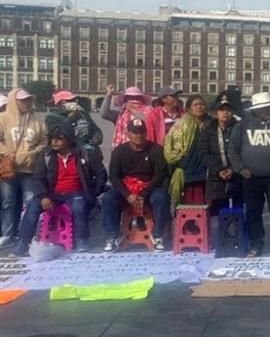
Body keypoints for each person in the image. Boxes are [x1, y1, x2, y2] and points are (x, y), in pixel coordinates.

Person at [13, 124, 107, 256]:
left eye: (59, 138)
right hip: (52, 194)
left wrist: (93, 192)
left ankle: (82, 240)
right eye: (52, 139)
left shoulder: (85, 154)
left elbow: (101, 174)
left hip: (76, 193)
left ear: (68, 139)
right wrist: (44, 196)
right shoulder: (46, 156)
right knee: (33, 206)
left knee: (79, 206)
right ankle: (24, 242)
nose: (54, 142)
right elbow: (37, 179)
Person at [228, 92, 270, 257]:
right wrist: (241, 169)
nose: (268, 110)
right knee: (253, 213)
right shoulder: (242, 125)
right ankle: (256, 245)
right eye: (264, 108)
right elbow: (233, 149)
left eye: (269, 106)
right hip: (251, 178)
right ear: (256, 110)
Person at [102, 118, 170, 251]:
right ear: (128, 134)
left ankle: (158, 236)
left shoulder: (156, 150)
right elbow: (114, 176)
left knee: (162, 198)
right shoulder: (119, 151)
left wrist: (143, 194)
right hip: (127, 189)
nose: (138, 136)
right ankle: (112, 236)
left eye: (141, 132)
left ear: (146, 133)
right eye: (135, 132)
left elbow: (160, 175)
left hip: (149, 188)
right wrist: (127, 194)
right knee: (108, 198)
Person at [0, 89, 48, 246]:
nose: (26, 103)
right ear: (14, 101)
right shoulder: (3, 119)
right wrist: (7, 152)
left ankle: (27, 233)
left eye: (28, 100)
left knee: (30, 201)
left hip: (29, 169)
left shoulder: (36, 121)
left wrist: (33, 153)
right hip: (9, 168)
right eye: (22, 100)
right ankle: (8, 233)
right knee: (8, 202)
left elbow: (44, 140)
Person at [164, 95, 209, 208]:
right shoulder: (181, 125)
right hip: (187, 170)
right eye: (196, 104)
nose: (199, 107)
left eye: (202, 104)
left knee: (205, 207)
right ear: (188, 109)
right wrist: (183, 163)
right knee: (188, 207)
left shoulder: (211, 124)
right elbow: (170, 149)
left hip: (207, 170)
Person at [199, 97, 242, 214]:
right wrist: (218, 170)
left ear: (232, 112)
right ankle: (220, 232)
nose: (225, 113)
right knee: (217, 211)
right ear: (215, 113)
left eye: (228, 110)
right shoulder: (208, 130)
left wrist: (233, 169)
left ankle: (238, 232)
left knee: (238, 211)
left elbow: (244, 152)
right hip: (216, 177)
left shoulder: (239, 129)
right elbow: (203, 153)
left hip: (237, 175)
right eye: (221, 110)